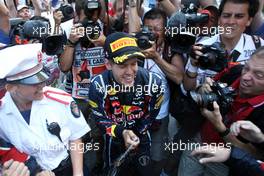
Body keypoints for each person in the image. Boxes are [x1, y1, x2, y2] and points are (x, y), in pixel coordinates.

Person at [0, 43, 91, 176]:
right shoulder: (2, 114)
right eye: (33, 82)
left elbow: (75, 137)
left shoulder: (60, 101)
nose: (42, 85)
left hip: (69, 168)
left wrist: (78, 173)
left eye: (41, 78)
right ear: (11, 88)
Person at [177, 46, 264, 176]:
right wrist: (203, 89)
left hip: (226, 162)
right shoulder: (235, 71)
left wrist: (219, 126)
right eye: (246, 68)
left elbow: (254, 155)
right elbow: (202, 90)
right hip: (199, 140)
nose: (246, 77)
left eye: (259, 75)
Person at [88, 32, 164, 175]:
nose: (130, 72)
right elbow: (100, 120)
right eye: (123, 65)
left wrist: (136, 133)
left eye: (134, 63)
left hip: (141, 136)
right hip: (114, 139)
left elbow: (151, 115)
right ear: (108, 64)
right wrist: (121, 132)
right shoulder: (97, 85)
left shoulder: (154, 83)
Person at [192, 120, 264, 176]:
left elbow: (256, 155)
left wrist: (231, 155)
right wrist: (261, 139)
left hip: (225, 164)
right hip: (201, 138)